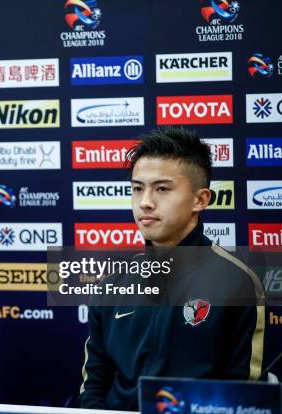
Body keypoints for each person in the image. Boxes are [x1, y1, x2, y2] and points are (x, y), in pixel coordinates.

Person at [77, 127, 265, 411]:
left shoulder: (237, 282)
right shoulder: (112, 283)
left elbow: (242, 395)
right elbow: (94, 383)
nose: (145, 202)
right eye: (137, 188)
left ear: (200, 200)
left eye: (162, 188)